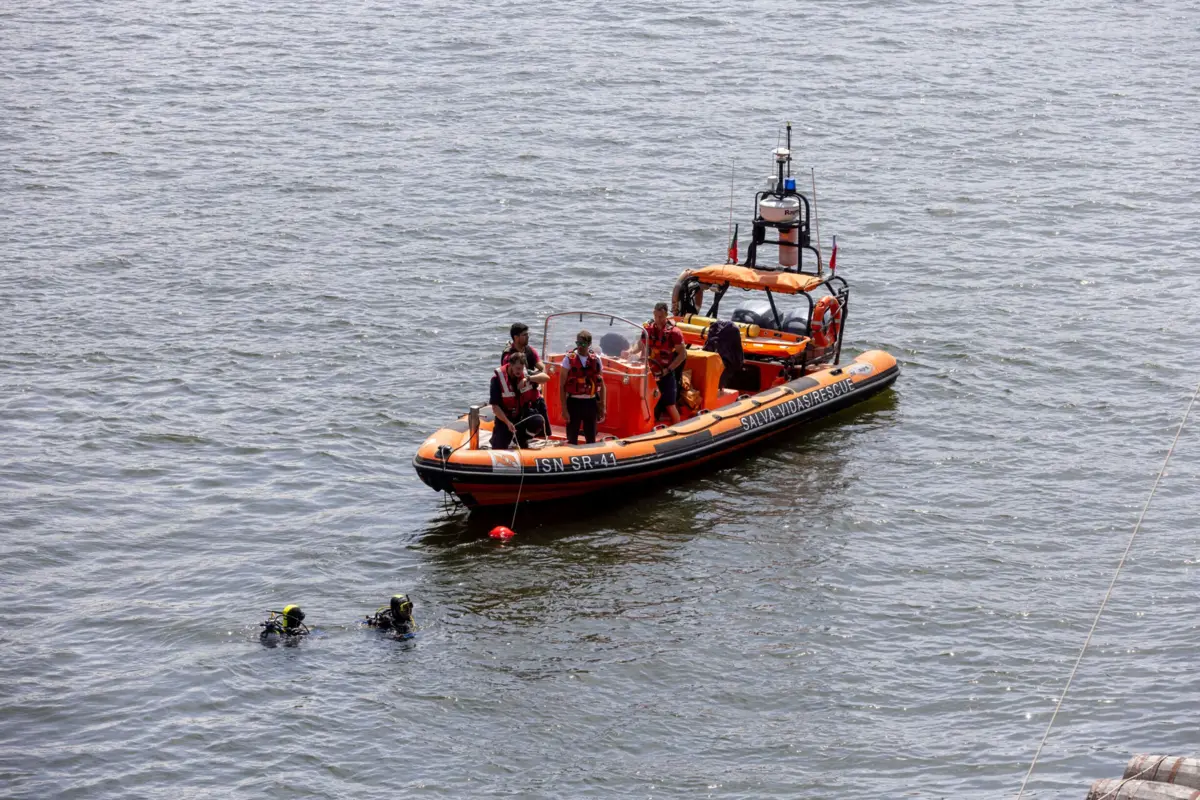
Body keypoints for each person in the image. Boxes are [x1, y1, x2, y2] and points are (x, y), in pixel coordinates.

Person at [627, 302, 687, 424]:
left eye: (661, 317)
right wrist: (629, 352)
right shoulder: (648, 330)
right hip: (650, 373)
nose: (658, 319)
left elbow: (683, 354)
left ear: (666, 315)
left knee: (670, 405)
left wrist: (668, 369)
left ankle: (678, 427)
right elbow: (640, 345)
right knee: (643, 401)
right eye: (656, 316)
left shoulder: (674, 333)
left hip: (666, 373)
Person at [489, 352, 547, 449]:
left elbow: (546, 378)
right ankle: (498, 438)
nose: (519, 371)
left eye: (521, 368)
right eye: (517, 368)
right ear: (510, 365)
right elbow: (495, 407)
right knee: (499, 446)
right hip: (506, 417)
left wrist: (528, 379)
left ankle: (522, 439)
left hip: (521, 415)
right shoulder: (497, 380)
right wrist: (508, 423)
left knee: (538, 421)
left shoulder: (525, 374)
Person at [559, 330, 606, 445]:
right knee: (572, 438)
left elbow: (602, 384)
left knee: (591, 437)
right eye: (578, 343)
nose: (580, 346)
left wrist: (602, 406)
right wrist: (564, 409)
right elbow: (562, 385)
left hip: (590, 402)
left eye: (583, 344)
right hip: (573, 402)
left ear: (589, 344)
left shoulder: (596, 360)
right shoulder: (568, 359)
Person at [501, 322, 548, 431]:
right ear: (516, 337)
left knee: (542, 426)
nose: (528, 337)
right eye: (524, 335)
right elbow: (512, 378)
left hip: (533, 397)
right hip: (518, 401)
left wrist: (531, 376)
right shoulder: (509, 357)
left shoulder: (530, 351)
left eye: (528, 334)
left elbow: (543, 368)